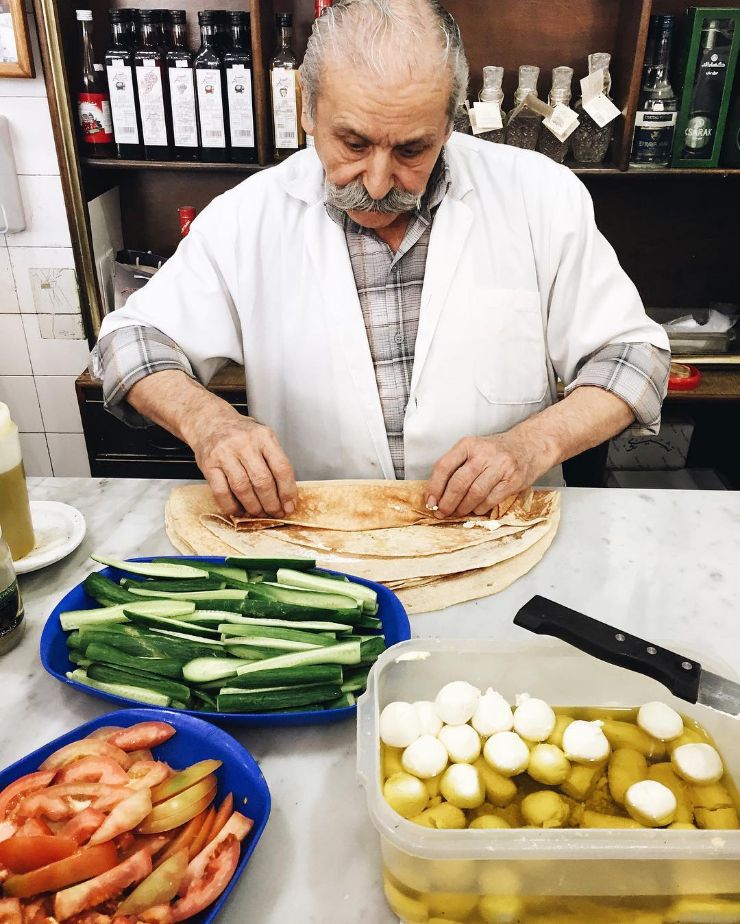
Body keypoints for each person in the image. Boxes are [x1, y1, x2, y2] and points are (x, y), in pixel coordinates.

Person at [92, 0, 669, 522]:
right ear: (309, 112)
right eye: (354, 143)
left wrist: (529, 447)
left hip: (504, 532)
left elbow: (633, 357)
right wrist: (211, 424)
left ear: (449, 124)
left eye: (412, 148)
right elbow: (130, 342)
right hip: (319, 543)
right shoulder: (248, 216)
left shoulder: (541, 194)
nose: (376, 180)